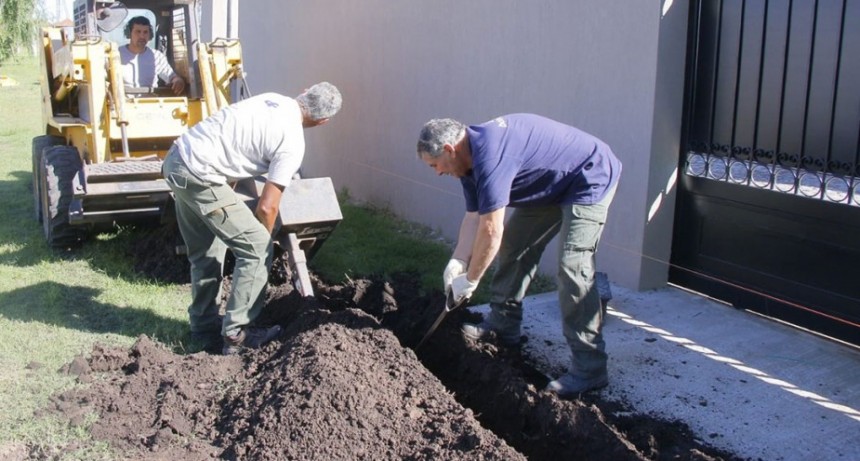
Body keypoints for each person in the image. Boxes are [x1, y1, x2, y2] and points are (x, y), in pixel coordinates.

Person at [416, 114, 621, 396]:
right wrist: (458, 261)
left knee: (574, 267)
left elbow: (491, 230)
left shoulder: (490, 158)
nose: (437, 172)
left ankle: (590, 368)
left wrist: (472, 280)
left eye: (435, 165)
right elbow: (474, 217)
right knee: (515, 246)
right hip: (550, 182)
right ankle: (503, 324)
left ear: (450, 149)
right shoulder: (465, 163)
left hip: (588, 175)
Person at [162, 82, 343, 355]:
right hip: (200, 174)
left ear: (304, 91)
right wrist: (260, 248)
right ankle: (237, 333)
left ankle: (203, 326)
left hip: (177, 161)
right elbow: (268, 207)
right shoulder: (292, 142)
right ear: (324, 121)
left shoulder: (270, 98)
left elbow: (233, 144)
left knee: (207, 252)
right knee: (258, 247)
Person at [119, 16, 185, 94]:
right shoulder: (116, 55)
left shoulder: (156, 56)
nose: (142, 36)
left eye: (145, 32)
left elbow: (171, 76)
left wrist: (178, 81)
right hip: (122, 102)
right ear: (129, 33)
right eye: (138, 31)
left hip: (150, 103)